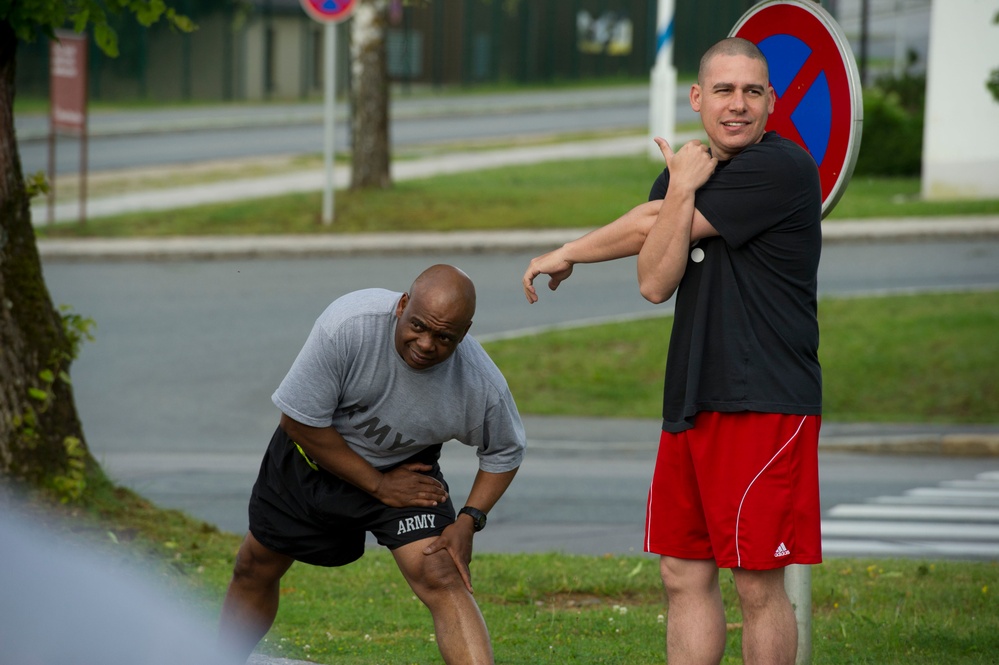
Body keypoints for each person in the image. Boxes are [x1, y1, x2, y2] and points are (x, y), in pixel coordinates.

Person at [521, 37, 822, 665]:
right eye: (723, 90)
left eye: (752, 91)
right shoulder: (684, 175)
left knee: (756, 584)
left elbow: (643, 228)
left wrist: (570, 250)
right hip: (690, 398)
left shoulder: (783, 168)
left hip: (763, 401)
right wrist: (680, 186)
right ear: (697, 98)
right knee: (682, 574)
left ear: (772, 101)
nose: (737, 105)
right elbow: (655, 282)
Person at [219, 264, 526, 665]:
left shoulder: (479, 386)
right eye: (418, 325)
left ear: (463, 334)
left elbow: (505, 451)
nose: (427, 343)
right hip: (312, 459)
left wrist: (468, 520)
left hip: (405, 472)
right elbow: (297, 422)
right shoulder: (349, 325)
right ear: (401, 305)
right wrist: (379, 486)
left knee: (442, 574)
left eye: (444, 337)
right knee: (256, 566)